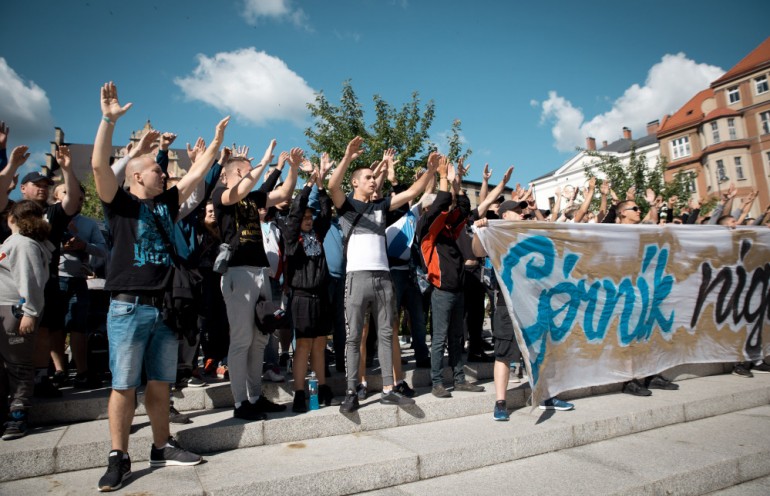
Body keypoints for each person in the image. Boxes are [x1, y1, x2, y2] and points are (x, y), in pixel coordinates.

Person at [91, 82, 226, 491]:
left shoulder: (165, 203)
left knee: (161, 383)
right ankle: (119, 456)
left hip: (166, 306)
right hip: (129, 306)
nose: (164, 173)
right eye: (156, 169)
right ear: (135, 174)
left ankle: (162, 446)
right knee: (123, 385)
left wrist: (215, 145)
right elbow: (98, 167)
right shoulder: (119, 204)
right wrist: (108, 123)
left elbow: (199, 174)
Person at [328, 138, 435, 413]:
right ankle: (351, 391)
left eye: (374, 178)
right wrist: (347, 157)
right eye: (367, 178)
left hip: (384, 279)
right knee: (354, 338)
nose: (373, 181)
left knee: (387, 335)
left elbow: (412, 190)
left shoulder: (380, 207)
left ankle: (389, 388)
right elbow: (332, 186)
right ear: (355, 183)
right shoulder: (347, 207)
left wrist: (432, 171)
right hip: (356, 279)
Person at [212, 142, 300, 421]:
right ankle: (240, 403)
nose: (251, 176)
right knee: (241, 340)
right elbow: (235, 193)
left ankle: (254, 396)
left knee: (261, 339)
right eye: (245, 171)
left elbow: (284, 193)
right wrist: (262, 163)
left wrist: (294, 169)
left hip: (260, 272)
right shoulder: (221, 194)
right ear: (229, 174)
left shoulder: (254, 198)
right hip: (237, 273)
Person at [417, 155, 485, 399]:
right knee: (439, 339)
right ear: (427, 210)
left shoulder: (448, 228)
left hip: (459, 290)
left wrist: (457, 184)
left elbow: (462, 209)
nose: (444, 211)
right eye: (436, 208)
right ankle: (437, 382)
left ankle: (458, 379)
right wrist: (442, 177)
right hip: (442, 292)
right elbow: (442, 204)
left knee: (457, 337)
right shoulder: (426, 230)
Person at [284, 160, 336, 412]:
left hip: (320, 295)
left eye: (309, 217)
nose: (307, 219)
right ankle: (299, 392)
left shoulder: (317, 233)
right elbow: (295, 211)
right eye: (304, 217)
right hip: (302, 297)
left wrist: (321, 183)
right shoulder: (292, 237)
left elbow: (325, 212)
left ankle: (323, 387)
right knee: (303, 344)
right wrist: (306, 186)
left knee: (319, 343)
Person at [0, 201, 53, 440]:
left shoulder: (23, 244)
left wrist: (30, 311)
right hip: (6, 308)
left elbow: (30, 280)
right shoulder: (15, 242)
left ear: (11, 218)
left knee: (18, 365)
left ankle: (18, 416)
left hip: (15, 309)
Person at [52, 184, 109, 389]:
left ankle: (82, 371)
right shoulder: (47, 219)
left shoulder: (89, 224)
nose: (76, 201)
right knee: (55, 327)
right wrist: (60, 247)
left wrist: (84, 246)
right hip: (54, 279)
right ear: (56, 197)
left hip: (78, 280)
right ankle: (59, 370)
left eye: (80, 199)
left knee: (79, 326)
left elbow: (103, 250)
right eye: (67, 194)